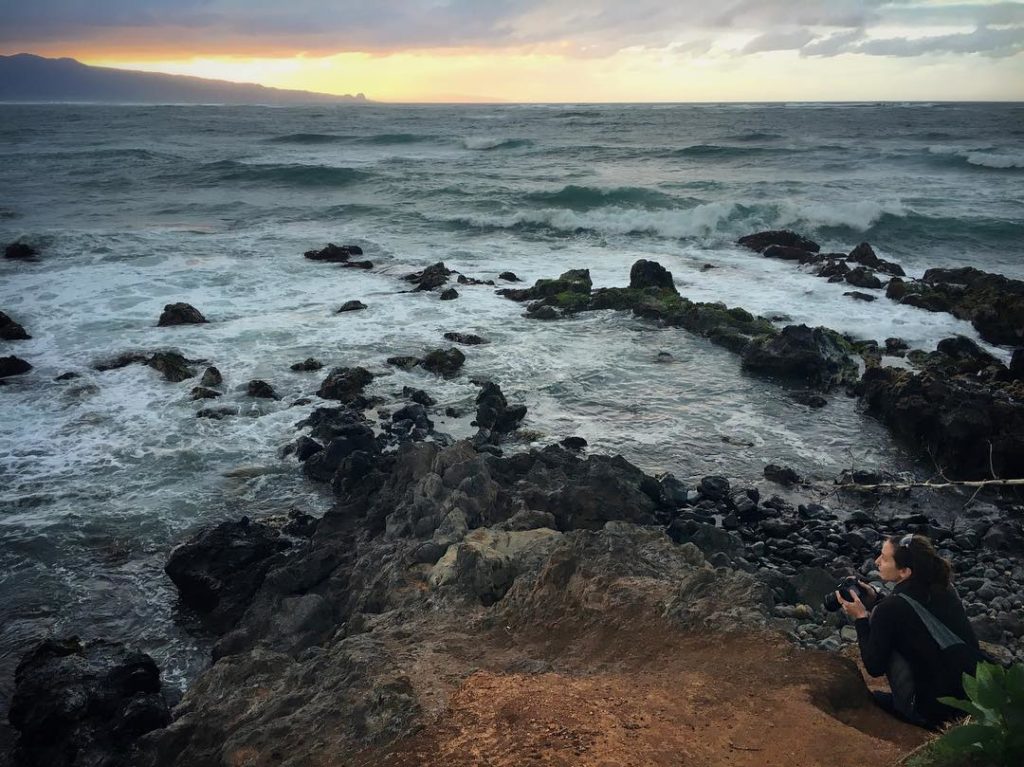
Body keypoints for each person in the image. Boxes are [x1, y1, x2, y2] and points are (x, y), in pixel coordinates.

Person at [836, 533, 982, 729]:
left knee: (884, 633)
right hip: (970, 697)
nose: (877, 561)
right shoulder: (946, 588)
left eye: (885, 558)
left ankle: (906, 707)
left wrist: (861, 618)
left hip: (930, 713)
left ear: (904, 572)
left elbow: (874, 666)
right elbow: (911, 614)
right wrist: (878, 599)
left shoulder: (888, 609)